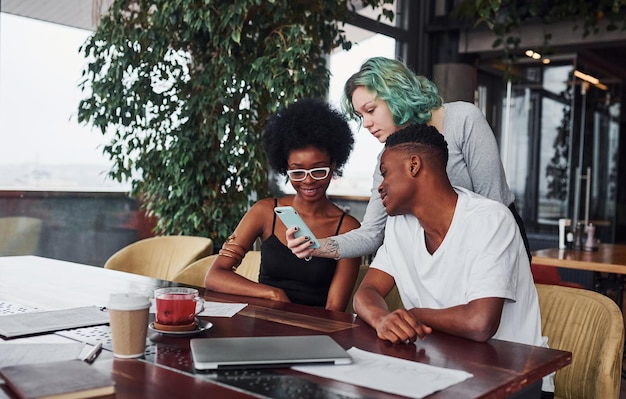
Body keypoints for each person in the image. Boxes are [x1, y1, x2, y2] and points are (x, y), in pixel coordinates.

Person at [353, 123, 553, 397]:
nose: (381, 187)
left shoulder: (489, 220)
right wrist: (382, 320)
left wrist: (414, 316)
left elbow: (479, 323)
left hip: (513, 378)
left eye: (385, 174)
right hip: (436, 370)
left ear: (414, 165)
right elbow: (367, 291)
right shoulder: (400, 225)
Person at [287, 56, 531, 263]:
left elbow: (494, 208)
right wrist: (316, 246)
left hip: (498, 242)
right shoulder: (387, 159)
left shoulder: (464, 119)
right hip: (445, 251)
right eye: (361, 116)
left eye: (371, 110)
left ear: (396, 93)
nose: (367, 124)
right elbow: (371, 233)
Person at [204, 98, 361, 312]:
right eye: (297, 171)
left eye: (318, 170)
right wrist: (271, 293)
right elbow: (215, 276)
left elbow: (334, 309)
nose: (308, 180)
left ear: (333, 167)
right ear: (284, 168)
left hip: (313, 332)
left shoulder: (347, 228)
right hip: (262, 326)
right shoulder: (265, 212)